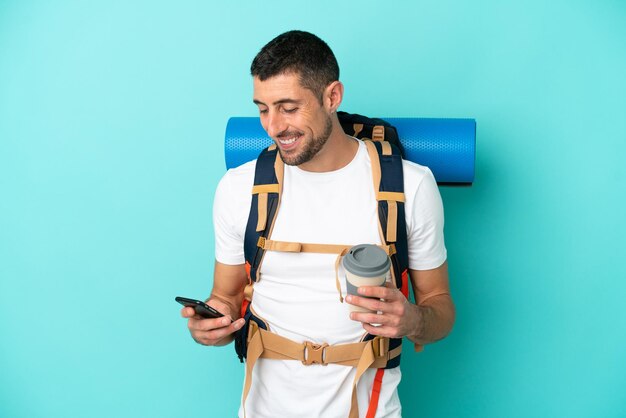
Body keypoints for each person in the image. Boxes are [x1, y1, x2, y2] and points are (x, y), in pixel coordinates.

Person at [181, 30, 455, 418]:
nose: (274, 127)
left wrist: (411, 319)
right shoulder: (239, 188)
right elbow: (225, 297)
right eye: (262, 108)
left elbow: (440, 311)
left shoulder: (410, 186)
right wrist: (213, 324)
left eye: (289, 108)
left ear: (332, 97)